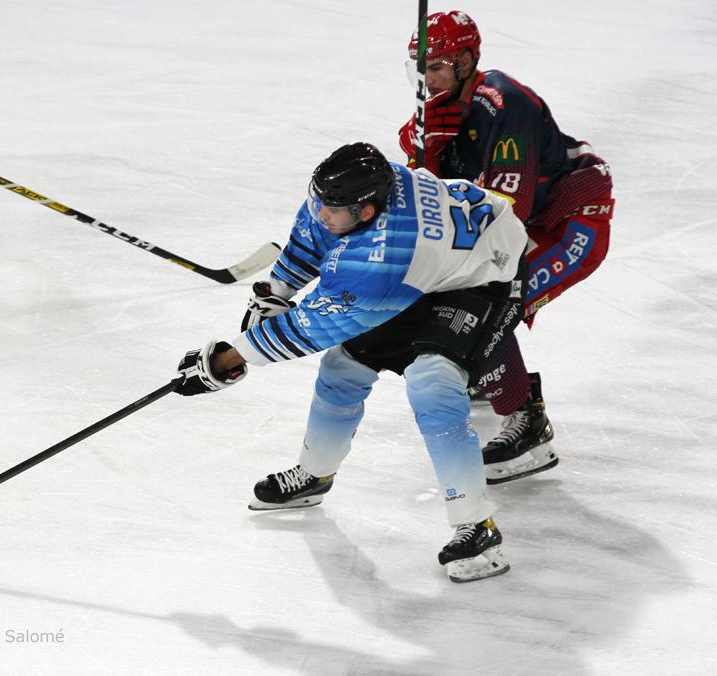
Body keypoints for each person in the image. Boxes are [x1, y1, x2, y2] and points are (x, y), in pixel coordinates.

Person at [176, 142, 527, 582]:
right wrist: (276, 293)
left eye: (334, 210)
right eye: (321, 201)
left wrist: (227, 360)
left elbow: (312, 327)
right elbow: (314, 233)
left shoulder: (383, 259)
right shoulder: (354, 193)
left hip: (486, 279)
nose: (322, 212)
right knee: (343, 367)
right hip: (435, 266)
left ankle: (477, 526)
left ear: (367, 212)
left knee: (433, 384)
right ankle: (314, 475)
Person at [395, 10, 613, 483]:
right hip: (525, 222)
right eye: (421, 68)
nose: (428, 80)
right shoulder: (440, 110)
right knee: (455, 295)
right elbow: (423, 192)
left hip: (571, 224)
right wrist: (429, 149)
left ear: (466, 60)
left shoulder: (504, 103)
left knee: (484, 303)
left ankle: (528, 423)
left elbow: (506, 208)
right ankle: (487, 367)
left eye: (437, 67)